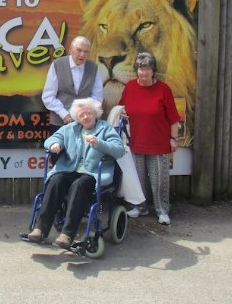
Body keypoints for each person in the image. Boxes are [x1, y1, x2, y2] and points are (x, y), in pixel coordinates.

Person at [26, 98, 124, 249]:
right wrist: (54, 144)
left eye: (89, 113)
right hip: (69, 170)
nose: (85, 117)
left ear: (95, 113)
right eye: (82, 115)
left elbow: (119, 150)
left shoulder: (105, 128)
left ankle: (67, 234)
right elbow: (51, 139)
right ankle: (40, 229)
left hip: (92, 174)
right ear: (77, 117)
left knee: (79, 184)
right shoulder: (70, 128)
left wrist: (99, 143)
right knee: (56, 179)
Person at [119, 52, 181, 225]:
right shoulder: (130, 87)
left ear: (153, 71)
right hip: (135, 142)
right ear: (136, 70)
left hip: (159, 143)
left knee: (159, 180)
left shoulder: (163, 89)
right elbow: (120, 109)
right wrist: (122, 113)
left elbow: (174, 118)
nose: (143, 73)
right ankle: (140, 207)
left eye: (147, 69)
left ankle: (162, 210)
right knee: (136, 180)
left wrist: (173, 138)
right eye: (140, 68)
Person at [42, 36, 104, 133]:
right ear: (71, 50)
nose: (82, 55)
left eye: (86, 51)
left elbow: (97, 96)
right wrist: (64, 114)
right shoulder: (57, 65)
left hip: (85, 124)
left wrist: (84, 113)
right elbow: (48, 96)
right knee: (57, 147)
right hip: (59, 123)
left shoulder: (93, 67)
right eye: (79, 50)